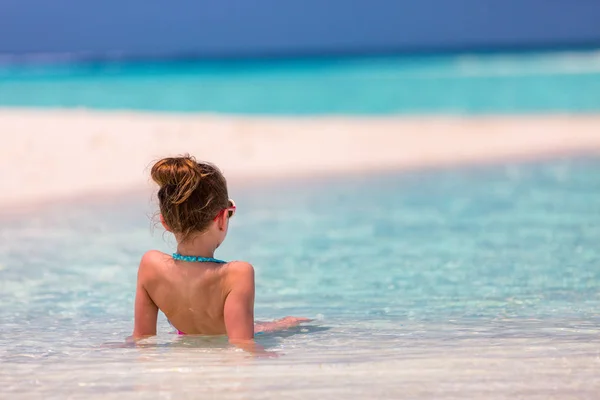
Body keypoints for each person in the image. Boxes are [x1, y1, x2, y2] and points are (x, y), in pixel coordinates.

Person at [131, 155, 308, 353]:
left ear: (165, 222)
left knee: (278, 324)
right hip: (224, 347)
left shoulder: (150, 265)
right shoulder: (236, 274)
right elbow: (242, 344)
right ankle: (286, 323)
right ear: (222, 218)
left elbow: (142, 339)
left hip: (184, 357)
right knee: (285, 325)